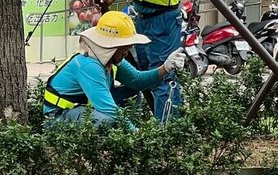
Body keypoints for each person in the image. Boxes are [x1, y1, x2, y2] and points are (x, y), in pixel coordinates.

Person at [43, 10, 184, 126]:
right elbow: (109, 110)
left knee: (132, 92)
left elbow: (137, 80)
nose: (126, 53)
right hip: (57, 117)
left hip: (80, 108)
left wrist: (165, 68)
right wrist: (137, 137)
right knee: (107, 119)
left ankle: (123, 138)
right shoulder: (89, 65)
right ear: (111, 47)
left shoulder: (109, 59)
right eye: (124, 49)